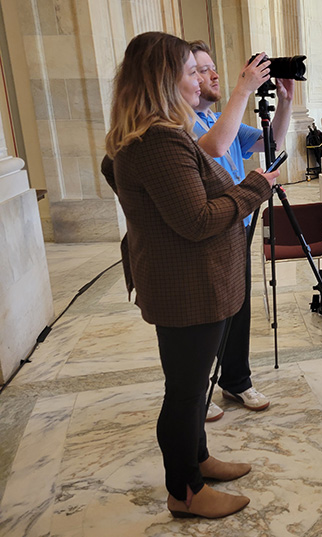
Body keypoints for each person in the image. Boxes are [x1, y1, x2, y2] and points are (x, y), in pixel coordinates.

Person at [102, 32, 279, 518]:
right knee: (185, 394)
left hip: (189, 281)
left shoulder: (148, 134)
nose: (200, 79)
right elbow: (196, 220)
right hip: (188, 287)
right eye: (190, 71)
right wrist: (254, 187)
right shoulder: (157, 139)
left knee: (193, 385)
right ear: (164, 78)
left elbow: (130, 185)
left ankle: (198, 460)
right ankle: (185, 492)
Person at [188, 40, 294, 422]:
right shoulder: (184, 120)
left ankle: (235, 378)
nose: (213, 74)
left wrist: (284, 103)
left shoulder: (222, 118)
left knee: (238, 305)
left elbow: (271, 143)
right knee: (209, 313)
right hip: (210, 225)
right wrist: (243, 89)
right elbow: (215, 147)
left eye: (212, 66)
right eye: (200, 69)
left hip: (239, 221)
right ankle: (195, 390)